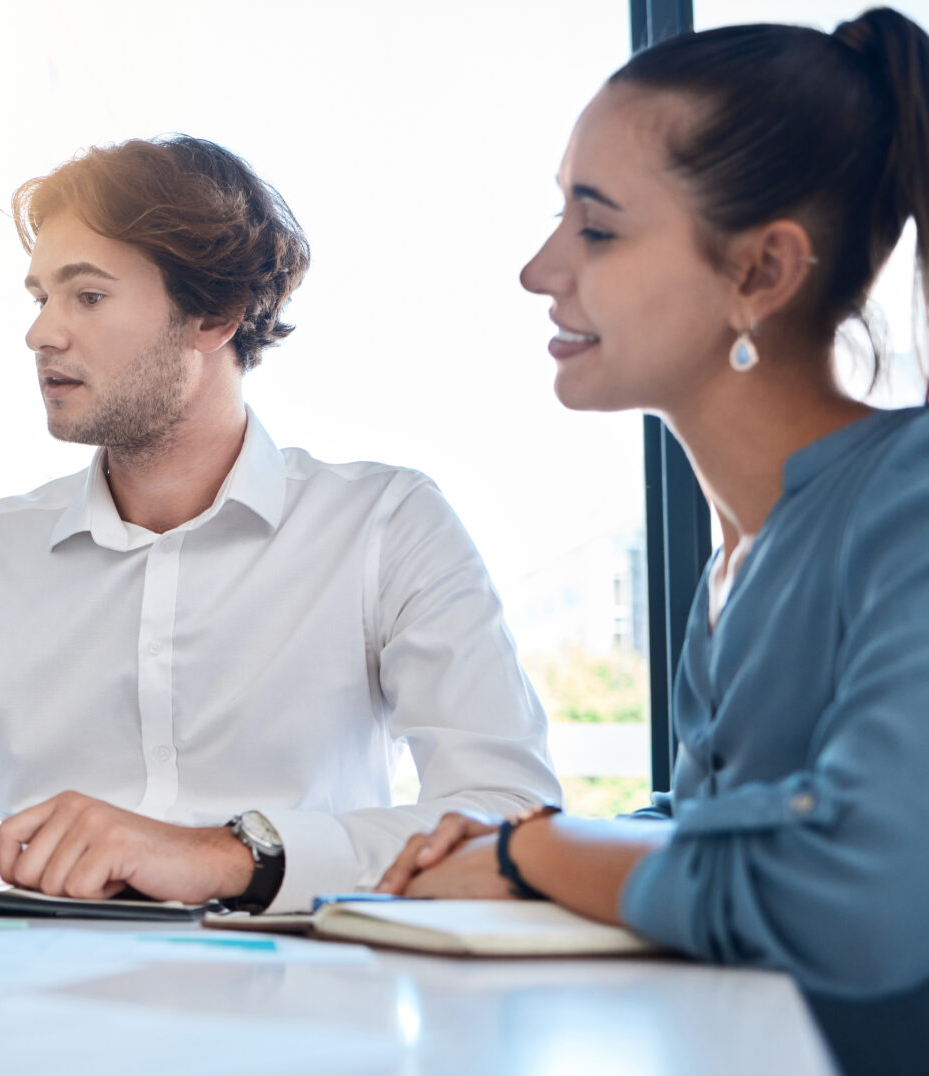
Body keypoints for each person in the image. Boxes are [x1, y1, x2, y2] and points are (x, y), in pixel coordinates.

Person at [0, 136, 561, 913]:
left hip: (309, 1029)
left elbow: (509, 817)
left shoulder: (385, 525)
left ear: (215, 316)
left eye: (88, 295)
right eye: (41, 295)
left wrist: (229, 855)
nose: (40, 332)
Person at [376, 9, 929, 1070]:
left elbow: (854, 886)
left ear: (762, 273)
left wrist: (536, 848)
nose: (541, 269)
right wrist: (508, 851)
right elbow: (716, 820)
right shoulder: (736, 555)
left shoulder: (908, 502)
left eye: (597, 227)